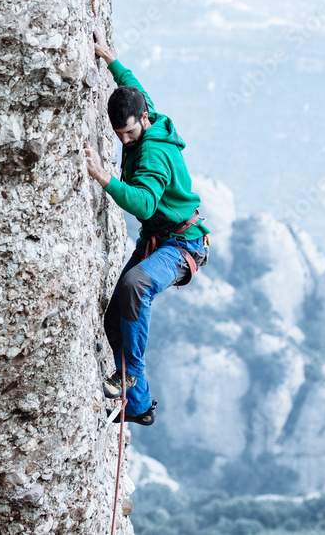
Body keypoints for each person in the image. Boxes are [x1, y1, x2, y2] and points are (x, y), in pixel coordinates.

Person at [84, 28, 210, 426]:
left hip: (181, 245)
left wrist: (103, 177)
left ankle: (128, 376)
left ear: (143, 120)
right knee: (112, 318)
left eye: (129, 132)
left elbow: (143, 202)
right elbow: (133, 85)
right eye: (119, 133)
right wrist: (109, 57)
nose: (124, 140)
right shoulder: (146, 114)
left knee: (136, 286)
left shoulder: (153, 152)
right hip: (158, 239)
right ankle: (138, 407)